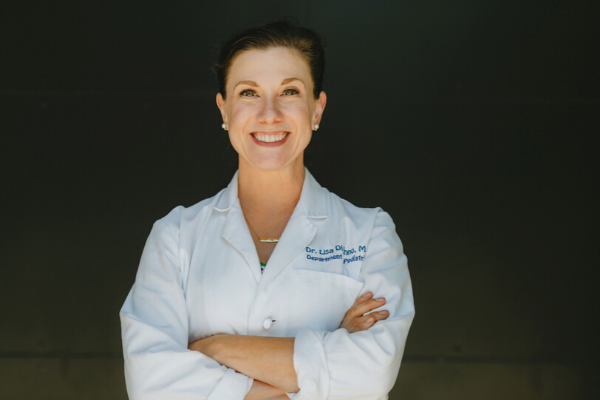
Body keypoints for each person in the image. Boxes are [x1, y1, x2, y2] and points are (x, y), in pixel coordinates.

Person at [120, 21, 415, 400]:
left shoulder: (369, 233)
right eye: (249, 93)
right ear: (224, 109)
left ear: (317, 108)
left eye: (289, 91)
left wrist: (215, 349)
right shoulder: (175, 236)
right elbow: (152, 384)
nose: (269, 113)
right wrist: (325, 367)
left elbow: (371, 374)